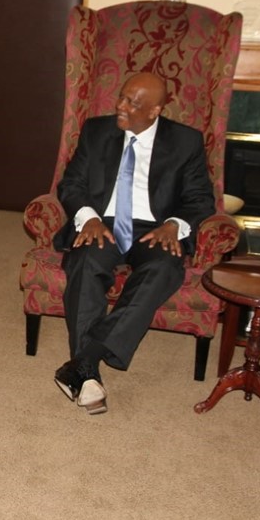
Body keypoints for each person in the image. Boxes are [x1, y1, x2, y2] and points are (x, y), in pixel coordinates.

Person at [52, 72, 215, 415]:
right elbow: (71, 185)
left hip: (155, 227)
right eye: (122, 97)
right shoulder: (97, 131)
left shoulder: (185, 141)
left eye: (132, 103)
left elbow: (200, 199)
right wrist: (89, 217)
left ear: (155, 110)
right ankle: (89, 373)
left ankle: (83, 362)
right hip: (103, 222)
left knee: (162, 269)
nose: (120, 107)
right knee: (85, 262)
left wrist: (175, 225)